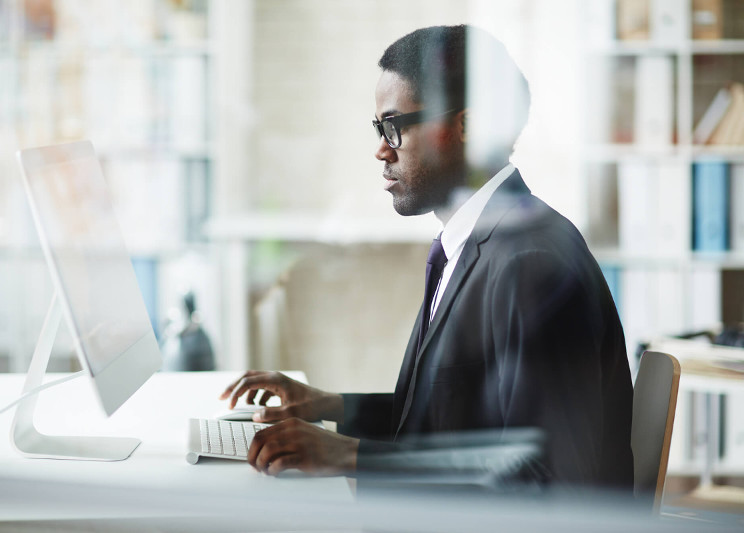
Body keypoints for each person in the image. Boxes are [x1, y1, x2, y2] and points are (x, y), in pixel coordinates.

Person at [220, 25, 634, 489]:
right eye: (379, 129)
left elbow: (549, 479)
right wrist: (331, 406)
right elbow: (449, 414)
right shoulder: (468, 244)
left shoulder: (529, 264)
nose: (380, 150)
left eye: (394, 127)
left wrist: (352, 455)